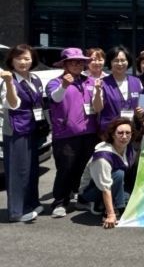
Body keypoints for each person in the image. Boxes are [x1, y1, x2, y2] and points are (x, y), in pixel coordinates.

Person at [46, 48, 102, 218]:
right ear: (65, 64)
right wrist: (64, 85)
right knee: (65, 169)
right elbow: (55, 98)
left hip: (89, 132)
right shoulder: (55, 82)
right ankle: (60, 202)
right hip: (66, 134)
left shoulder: (90, 81)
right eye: (72, 62)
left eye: (80, 62)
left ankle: (82, 198)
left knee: (85, 169)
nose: (77, 65)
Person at [1, 45, 45, 222]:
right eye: (18, 58)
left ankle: (31, 204)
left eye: (27, 58)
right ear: (11, 60)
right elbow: (13, 104)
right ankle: (16, 212)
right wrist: (9, 83)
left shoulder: (35, 79)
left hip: (33, 128)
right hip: (16, 130)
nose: (23, 62)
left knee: (31, 169)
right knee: (17, 171)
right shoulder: (8, 80)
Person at [77, 117, 137, 229]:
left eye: (128, 133)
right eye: (120, 133)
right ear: (113, 135)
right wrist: (111, 214)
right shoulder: (102, 155)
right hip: (91, 191)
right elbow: (105, 187)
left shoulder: (128, 148)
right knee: (118, 174)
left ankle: (109, 203)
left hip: (113, 185)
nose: (124, 136)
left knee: (133, 199)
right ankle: (111, 207)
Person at [98, 46, 143, 135]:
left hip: (132, 132)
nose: (120, 63)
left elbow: (142, 105)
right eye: (116, 60)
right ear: (110, 62)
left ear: (128, 61)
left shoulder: (137, 82)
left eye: (123, 60)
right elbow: (97, 108)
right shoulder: (102, 83)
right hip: (110, 133)